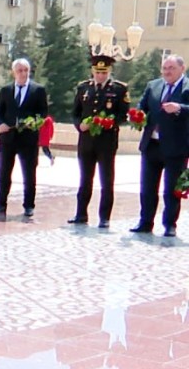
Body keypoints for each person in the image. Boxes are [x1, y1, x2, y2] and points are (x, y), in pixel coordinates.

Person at [68, 53, 130, 228]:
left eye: (104, 72)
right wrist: (79, 125)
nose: (100, 76)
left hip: (107, 141)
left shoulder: (119, 89)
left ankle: (104, 217)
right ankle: (81, 214)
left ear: (109, 71)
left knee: (106, 180)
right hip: (86, 141)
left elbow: (122, 115)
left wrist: (110, 122)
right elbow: (75, 113)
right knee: (85, 179)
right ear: (92, 71)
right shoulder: (83, 88)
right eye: (97, 72)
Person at [130, 54, 188, 238]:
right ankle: (145, 222)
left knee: (172, 189)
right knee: (147, 187)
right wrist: (136, 115)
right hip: (151, 145)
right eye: (164, 68)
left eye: (171, 68)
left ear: (182, 69)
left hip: (176, 148)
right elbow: (142, 106)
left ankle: (170, 224)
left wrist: (180, 107)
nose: (167, 72)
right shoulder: (153, 85)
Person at [0, 58, 48, 217]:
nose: (23, 73)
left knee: (29, 173)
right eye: (20, 70)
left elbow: (43, 112)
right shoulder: (6, 90)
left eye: (25, 70)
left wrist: (34, 122)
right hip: (8, 138)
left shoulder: (38, 90)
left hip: (28, 139)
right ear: (13, 72)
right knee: (4, 172)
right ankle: (0, 203)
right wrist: (1, 123)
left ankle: (29, 205)